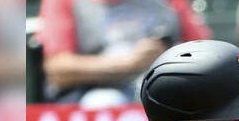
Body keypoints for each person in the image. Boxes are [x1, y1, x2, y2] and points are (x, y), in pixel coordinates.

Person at [36, 0, 211, 106]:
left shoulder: (169, 3)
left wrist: (169, 58)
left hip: (161, 88)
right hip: (96, 93)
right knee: (103, 103)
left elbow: (206, 53)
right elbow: (57, 70)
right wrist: (129, 63)